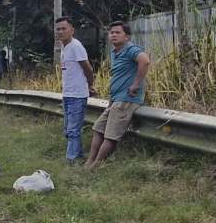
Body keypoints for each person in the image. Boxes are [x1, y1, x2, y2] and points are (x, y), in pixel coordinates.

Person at [86, 21, 150, 169]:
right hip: (116, 99)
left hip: (127, 99)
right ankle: (89, 162)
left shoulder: (131, 49)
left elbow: (145, 61)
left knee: (111, 135)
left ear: (126, 36)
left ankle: (96, 166)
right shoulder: (115, 52)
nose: (113, 35)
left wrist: (135, 84)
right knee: (98, 128)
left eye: (118, 32)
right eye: (111, 32)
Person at [54, 17, 95, 164]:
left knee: (73, 130)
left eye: (64, 28)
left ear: (72, 30)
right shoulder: (64, 47)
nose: (60, 31)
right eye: (58, 29)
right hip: (68, 94)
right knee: (68, 129)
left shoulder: (76, 46)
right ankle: (77, 155)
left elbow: (88, 68)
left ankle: (73, 159)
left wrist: (90, 85)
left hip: (77, 95)